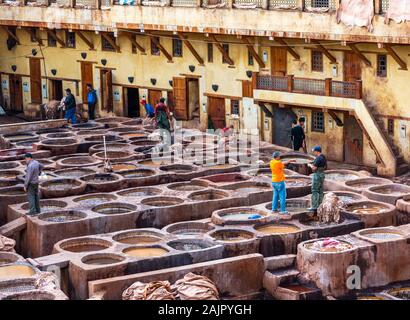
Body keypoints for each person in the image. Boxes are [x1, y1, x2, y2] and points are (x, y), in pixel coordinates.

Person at [270, 151, 296, 217]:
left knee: (275, 196)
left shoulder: (272, 162)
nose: (280, 157)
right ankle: (283, 210)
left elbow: (281, 163)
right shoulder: (278, 163)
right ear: (278, 157)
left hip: (274, 181)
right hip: (280, 181)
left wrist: (289, 160)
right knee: (282, 196)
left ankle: (274, 209)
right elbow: (281, 164)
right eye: (279, 156)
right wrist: (289, 161)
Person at [308, 146, 327, 213]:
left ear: (317, 151)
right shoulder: (323, 157)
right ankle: (320, 205)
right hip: (322, 174)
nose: (314, 152)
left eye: (314, 151)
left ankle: (314, 206)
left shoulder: (318, 158)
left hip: (317, 175)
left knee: (314, 190)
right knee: (320, 190)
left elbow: (314, 168)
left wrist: (310, 165)